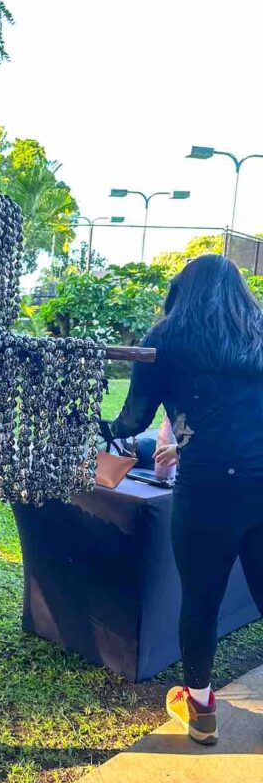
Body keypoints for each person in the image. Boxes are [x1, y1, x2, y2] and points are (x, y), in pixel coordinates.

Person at [102, 254, 263, 744]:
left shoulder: (165, 338)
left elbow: (131, 422)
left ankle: (201, 711)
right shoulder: (257, 334)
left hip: (205, 490)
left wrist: (96, 428)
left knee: (200, 600)